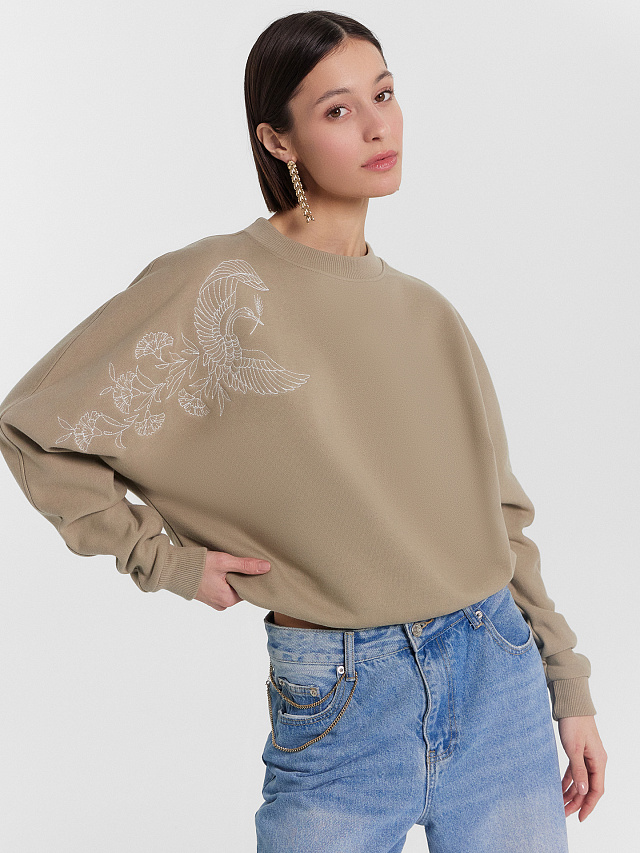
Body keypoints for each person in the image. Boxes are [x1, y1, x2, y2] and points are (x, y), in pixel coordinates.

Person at [0, 10, 606, 852]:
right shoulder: (217, 283)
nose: (377, 126)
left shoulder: (428, 314)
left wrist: (568, 687)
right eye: (338, 109)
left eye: (384, 95)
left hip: (496, 671)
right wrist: (167, 562)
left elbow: (501, 521)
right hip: (341, 696)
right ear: (277, 139)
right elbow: (36, 429)